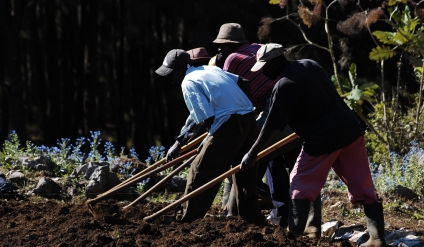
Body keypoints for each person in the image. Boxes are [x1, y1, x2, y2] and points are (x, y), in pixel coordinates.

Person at [241, 43, 386, 246]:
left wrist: (252, 153)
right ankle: (377, 238)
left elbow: (271, 125)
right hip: (350, 129)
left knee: (299, 183)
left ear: (274, 63)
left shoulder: (284, 85)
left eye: (264, 67)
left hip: (323, 139)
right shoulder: (310, 65)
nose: (264, 73)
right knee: (362, 185)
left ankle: (295, 239)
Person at [156, 47, 266, 225]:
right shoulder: (210, 70)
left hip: (228, 126)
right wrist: (244, 106)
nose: (171, 80)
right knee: (245, 173)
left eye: (171, 75)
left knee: (200, 170)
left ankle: (186, 220)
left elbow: (204, 118)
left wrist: (208, 137)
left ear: (180, 69)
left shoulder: (188, 82)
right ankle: (253, 220)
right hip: (248, 122)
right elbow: (244, 82)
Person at [211, 22, 304, 225]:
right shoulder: (258, 48)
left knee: (252, 160)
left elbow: (232, 96)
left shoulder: (232, 59)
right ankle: (291, 218)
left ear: (231, 44)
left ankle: (237, 217)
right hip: (286, 105)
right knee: (282, 161)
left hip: (273, 105)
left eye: (222, 45)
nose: (220, 49)